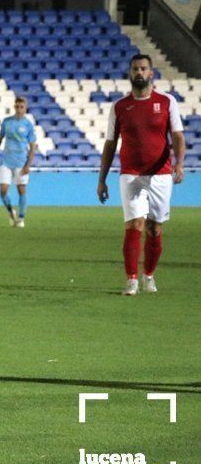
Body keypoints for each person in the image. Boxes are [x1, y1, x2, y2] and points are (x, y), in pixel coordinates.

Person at [98, 54, 185, 296]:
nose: (139, 72)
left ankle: (149, 274)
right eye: (135, 68)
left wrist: (179, 164)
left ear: (151, 73)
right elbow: (109, 143)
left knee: (154, 228)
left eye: (143, 68)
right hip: (130, 173)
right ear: (130, 73)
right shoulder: (119, 107)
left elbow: (177, 136)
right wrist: (102, 179)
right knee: (134, 224)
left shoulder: (167, 102)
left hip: (160, 174)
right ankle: (132, 279)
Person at [0, 97, 36, 227]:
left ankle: (21, 218)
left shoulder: (28, 125)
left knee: (21, 190)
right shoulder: (7, 122)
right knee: (3, 190)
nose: (19, 109)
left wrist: (28, 165)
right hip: (6, 161)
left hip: (21, 162)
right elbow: (0, 139)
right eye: (17, 106)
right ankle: (11, 212)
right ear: (14, 107)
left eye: (22, 107)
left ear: (25, 108)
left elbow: (33, 147)